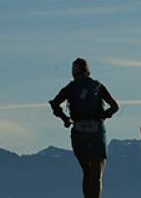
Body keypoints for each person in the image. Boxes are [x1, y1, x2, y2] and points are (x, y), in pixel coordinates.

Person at [50, 57, 120, 198]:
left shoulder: (70, 88)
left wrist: (65, 119)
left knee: (87, 173)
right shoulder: (97, 86)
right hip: (96, 131)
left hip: (78, 132)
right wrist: (103, 116)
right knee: (97, 174)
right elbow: (114, 106)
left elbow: (54, 104)